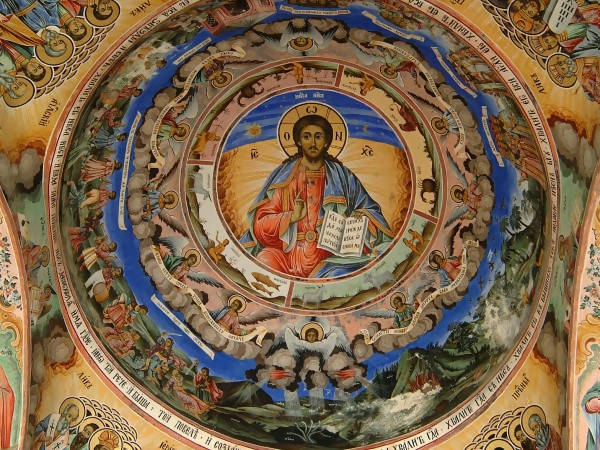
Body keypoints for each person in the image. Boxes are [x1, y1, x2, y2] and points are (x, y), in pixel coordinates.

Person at [241, 114, 393, 278]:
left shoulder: (342, 176)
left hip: (330, 258)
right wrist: (291, 217)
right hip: (286, 255)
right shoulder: (285, 178)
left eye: (318, 137)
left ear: (327, 141)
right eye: (306, 137)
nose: (313, 143)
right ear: (299, 141)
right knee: (263, 262)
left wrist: (361, 217)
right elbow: (260, 225)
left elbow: (371, 212)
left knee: (340, 275)